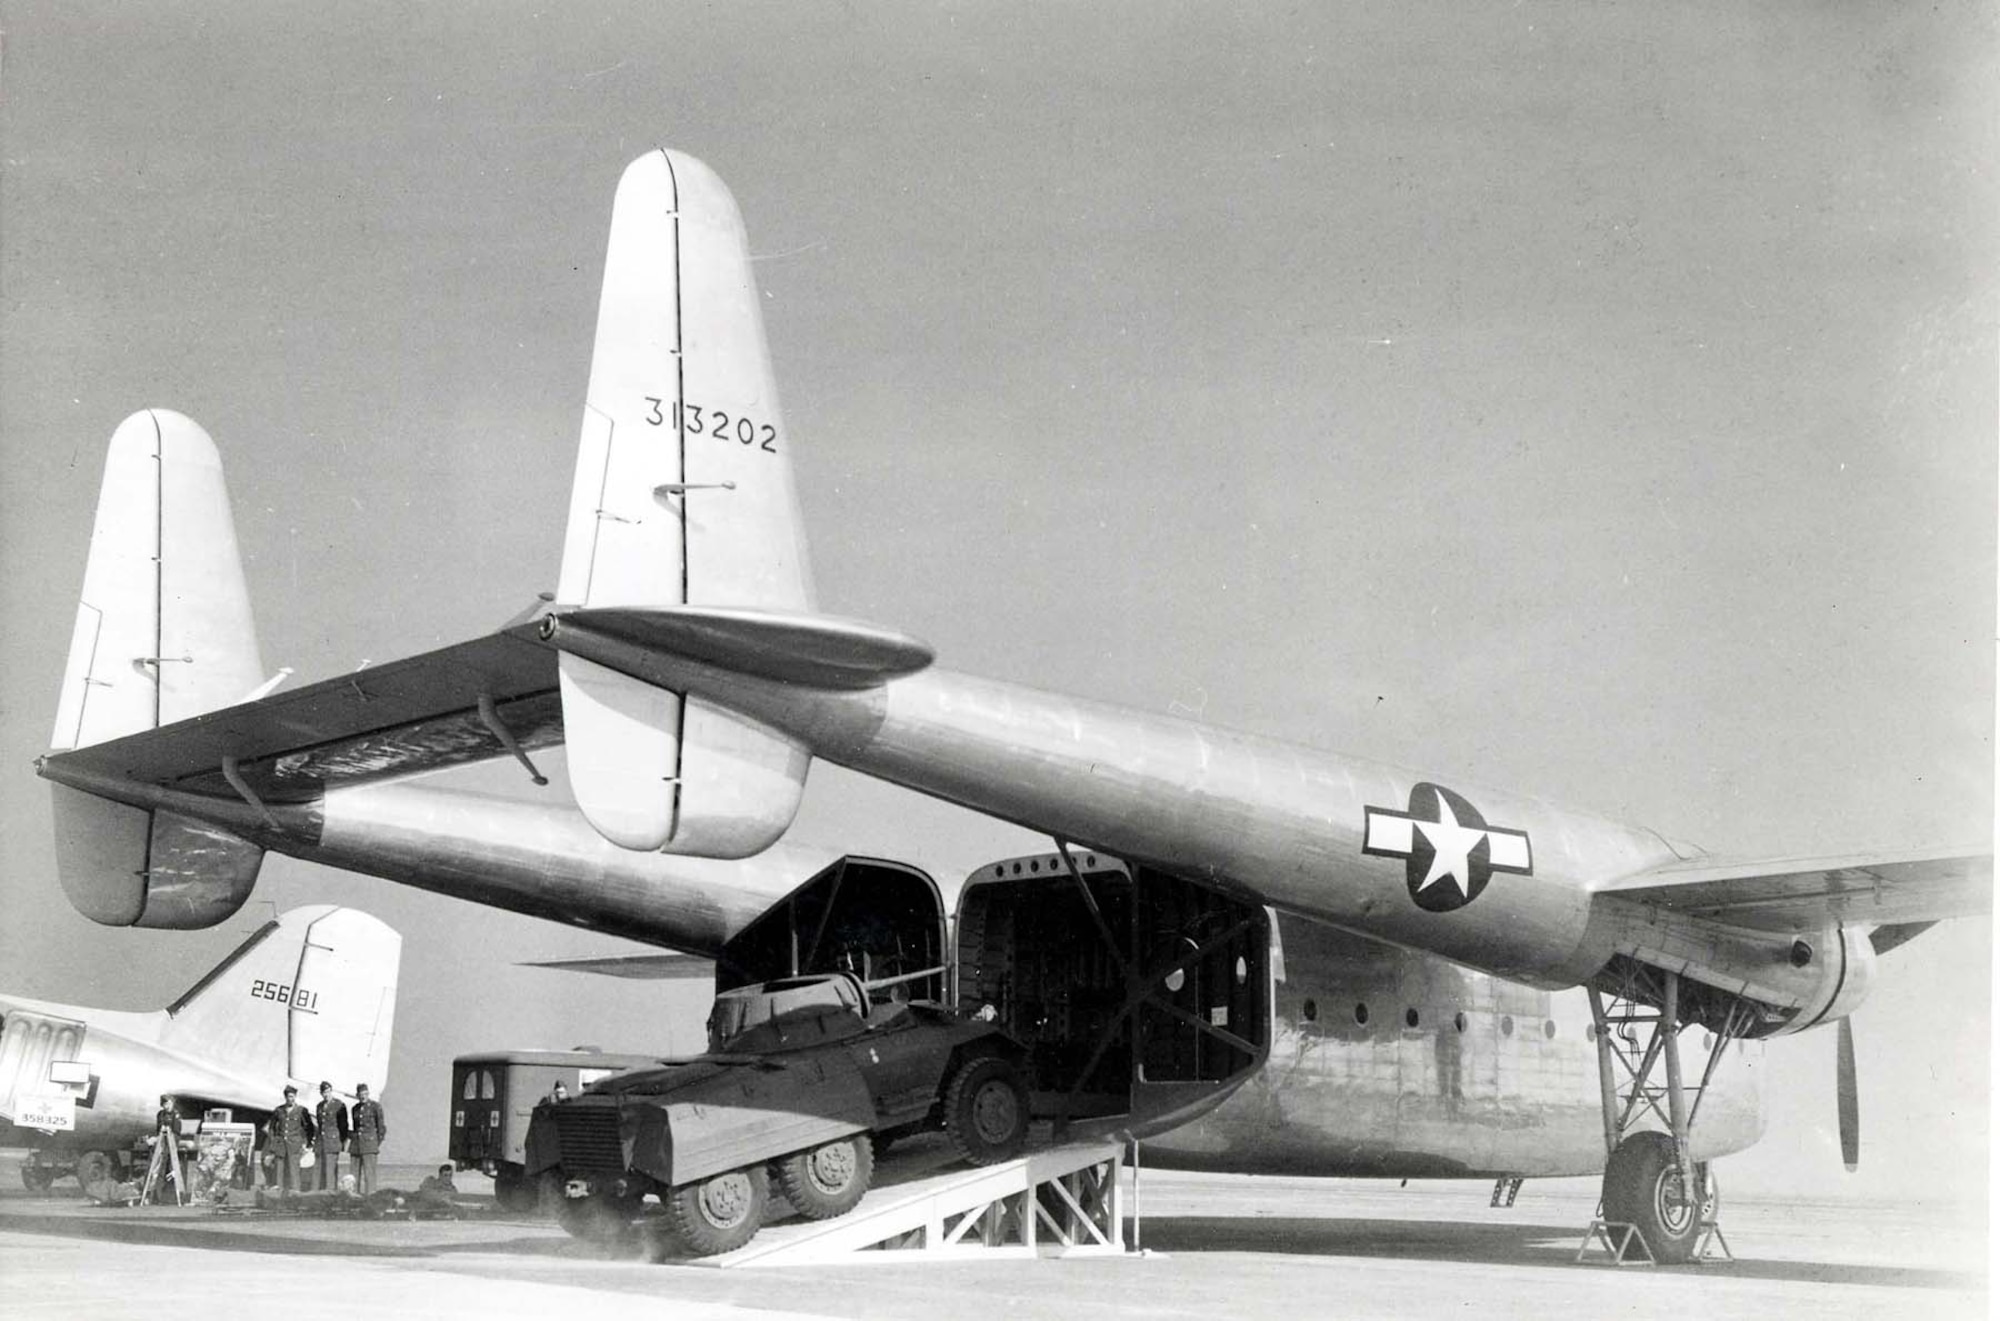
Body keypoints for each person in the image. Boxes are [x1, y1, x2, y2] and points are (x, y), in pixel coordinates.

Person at [264, 1085, 316, 1194]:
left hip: (294, 1144)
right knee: (279, 1169)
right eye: (288, 1097)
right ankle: (278, 1192)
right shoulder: (279, 1110)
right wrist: (274, 1142)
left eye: (292, 1096)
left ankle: (295, 1191)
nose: (290, 1099)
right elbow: (272, 1128)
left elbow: (309, 1128)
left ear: (295, 1097)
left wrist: (307, 1143)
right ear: (285, 1097)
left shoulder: (301, 1110)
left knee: (294, 1169)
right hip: (281, 1144)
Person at [349, 1081, 387, 1194]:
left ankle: (370, 1197)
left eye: (365, 1093)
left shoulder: (375, 1107)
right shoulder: (355, 1108)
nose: (363, 1096)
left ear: (368, 1093)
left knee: (369, 1175)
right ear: (357, 1095)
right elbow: (356, 1127)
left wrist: (375, 1143)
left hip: (369, 1145)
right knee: (354, 1174)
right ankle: (354, 1197)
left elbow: (381, 1128)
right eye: (361, 1094)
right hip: (356, 1145)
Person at [312, 1081, 350, 1191]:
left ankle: (330, 1195)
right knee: (317, 1171)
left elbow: (343, 1126)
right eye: (324, 1092)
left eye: (328, 1091)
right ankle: (316, 1195)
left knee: (330, 1171)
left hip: (332, 1143)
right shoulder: (319, 1106)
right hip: (320, 1143)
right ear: (321, 1093)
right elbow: (320, 1124)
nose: (326, 1094)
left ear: (331, 1091)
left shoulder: (339, 1105)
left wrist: (341, 1142)